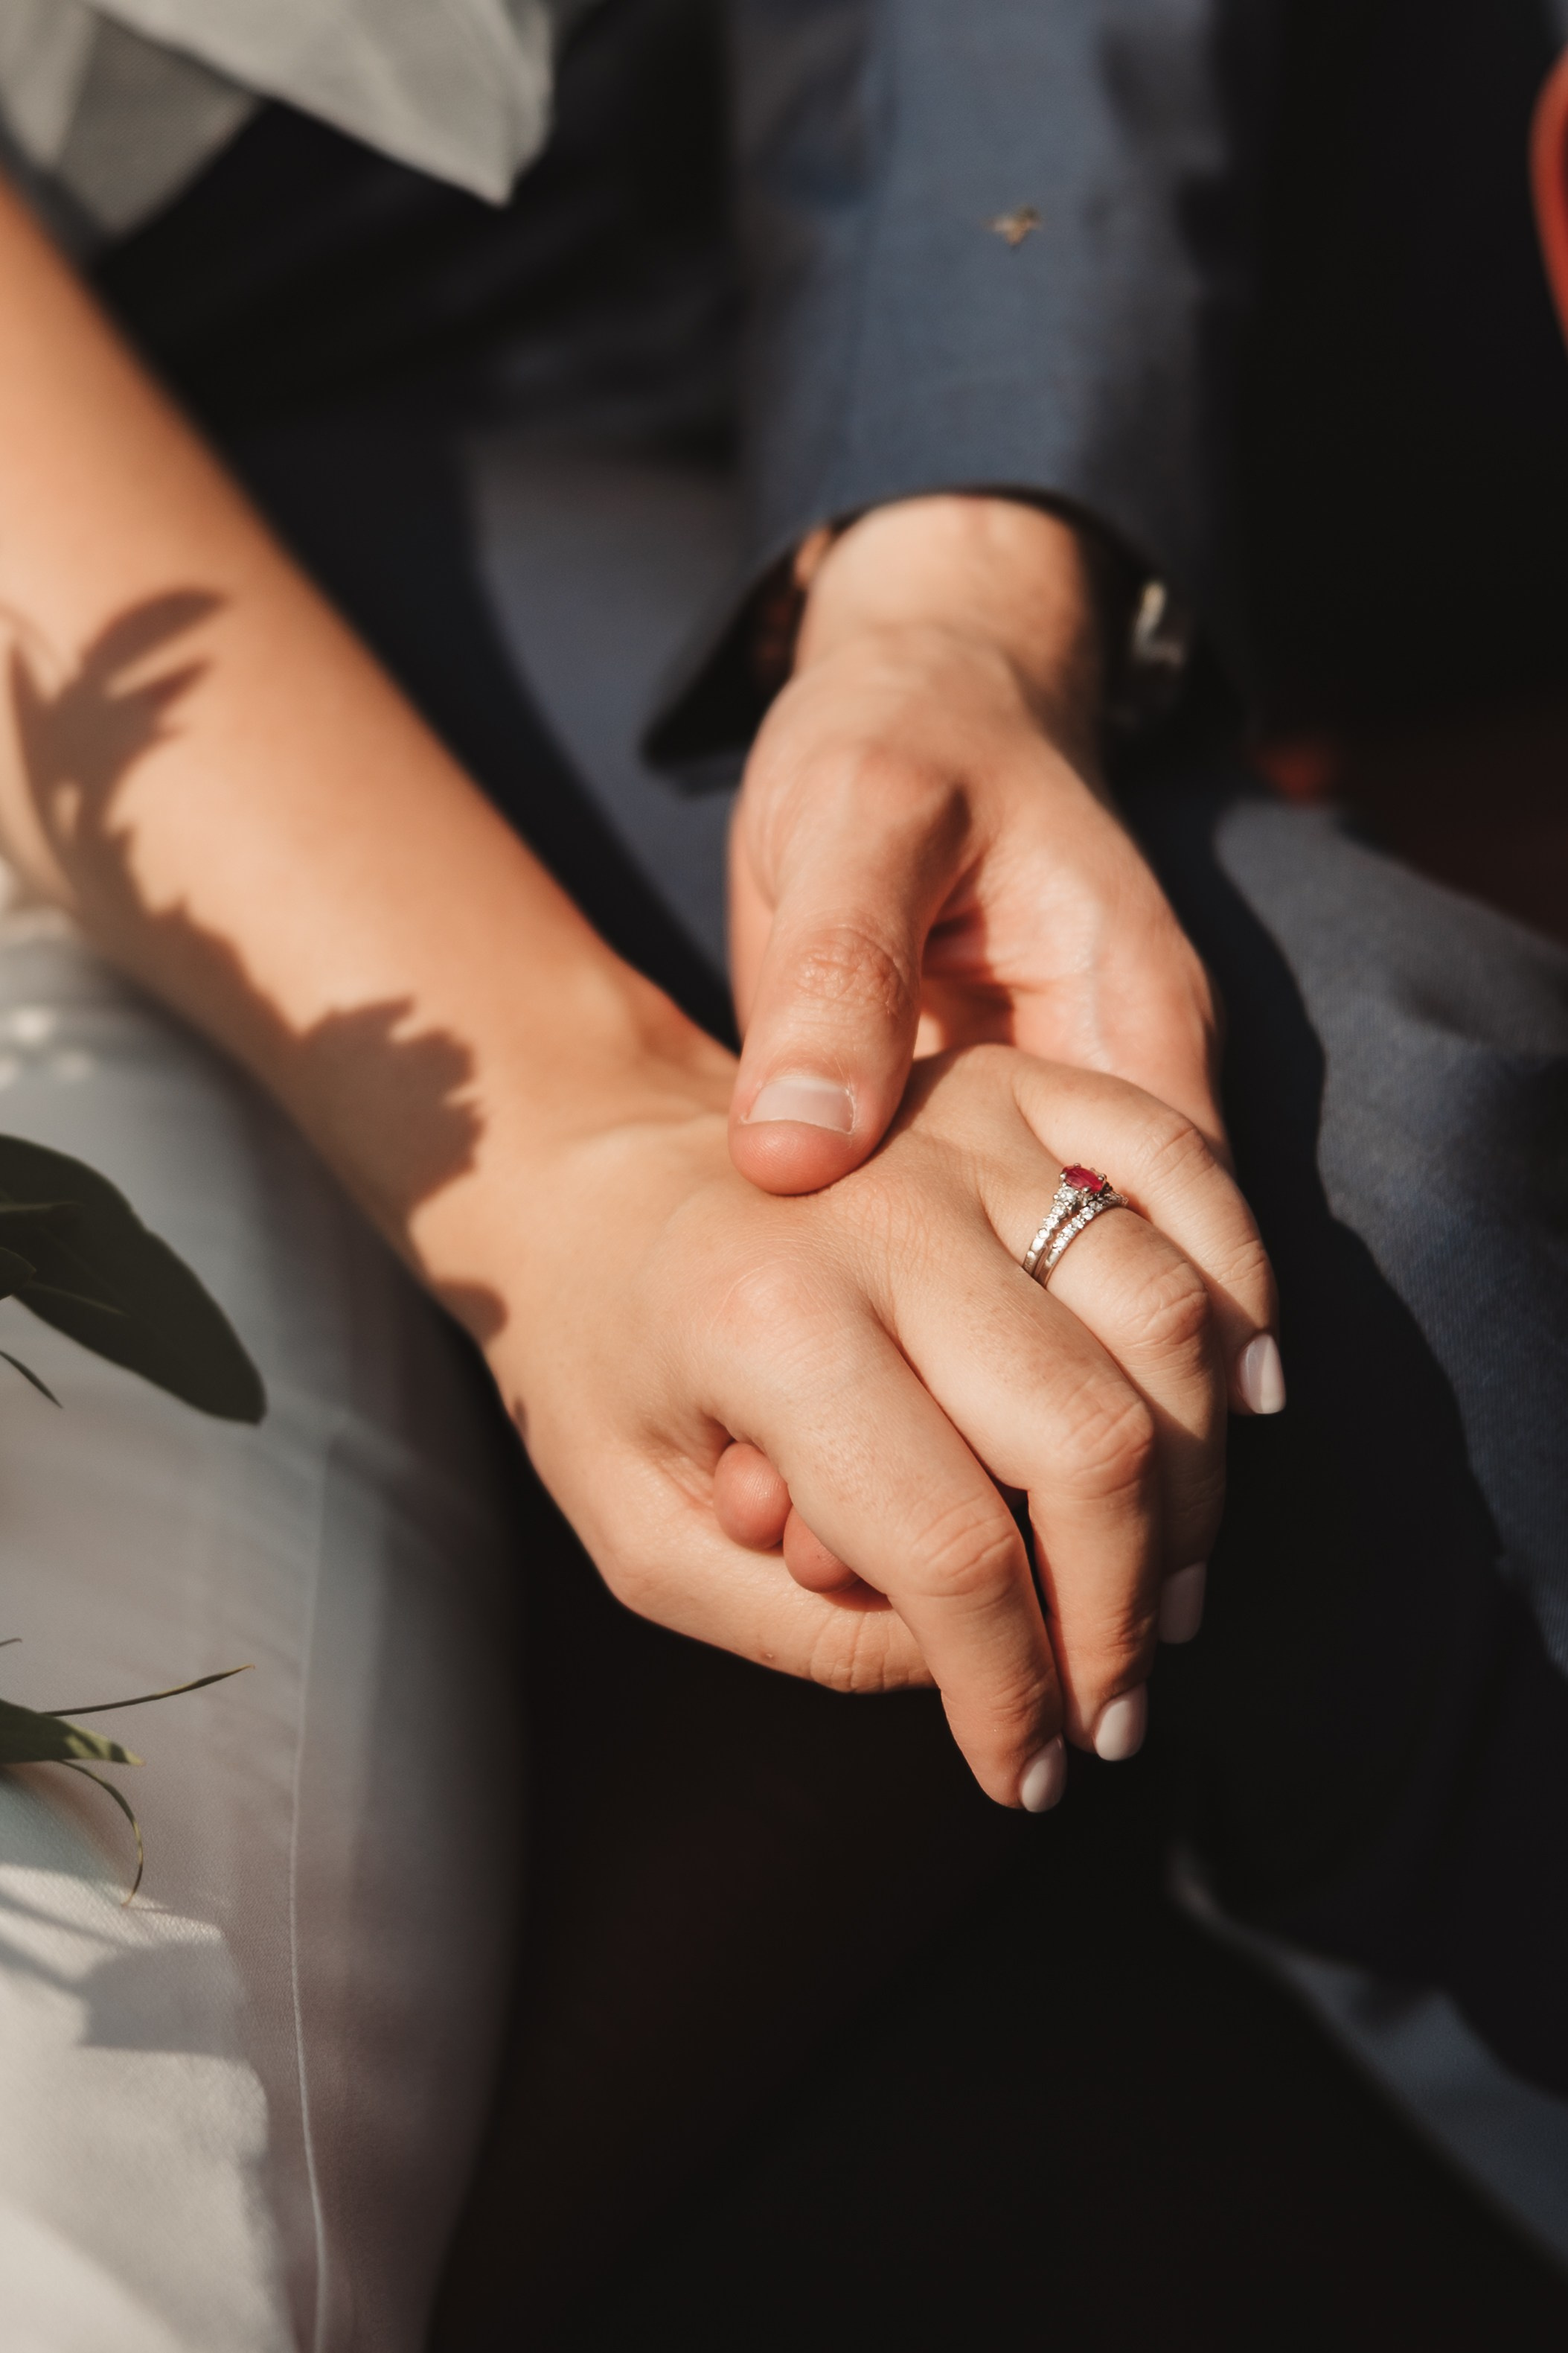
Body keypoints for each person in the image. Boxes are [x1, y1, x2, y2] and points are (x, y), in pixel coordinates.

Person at [0, 1, 1563, 2345]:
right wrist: (582, 1150)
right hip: (241, 427)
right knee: (1380, 1221)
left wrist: (959, 564)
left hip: (1089, 122)